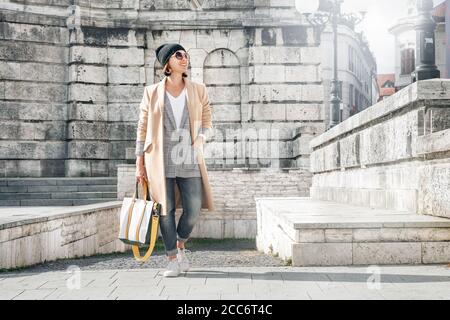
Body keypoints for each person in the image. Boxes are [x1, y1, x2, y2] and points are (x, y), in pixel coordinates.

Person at [135, 43, 215, 277]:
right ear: (167, 63)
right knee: (165, 210)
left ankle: (180, 245)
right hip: (159, 160)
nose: (184, 58)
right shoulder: (151, 92)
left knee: (192, 210)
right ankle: (171, 259)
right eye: (178, 55)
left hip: (189, 158)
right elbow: (142, 129)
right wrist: (139, 164)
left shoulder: (198, 90)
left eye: (186, 55)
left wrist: (201, 137)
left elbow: (208, 121)